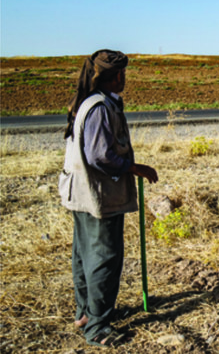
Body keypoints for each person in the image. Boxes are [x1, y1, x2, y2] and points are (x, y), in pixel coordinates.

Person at [59, 49, 158, 348]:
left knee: (84, 255)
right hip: (98, 197)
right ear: (115, 76)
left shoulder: (87, 102)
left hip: (80, 194)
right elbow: (101, 156)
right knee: (104, 259)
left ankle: (86, 314)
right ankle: (98, 327)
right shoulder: (100, 107)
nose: (124, 78)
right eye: (123, 74)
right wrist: (135, 167)